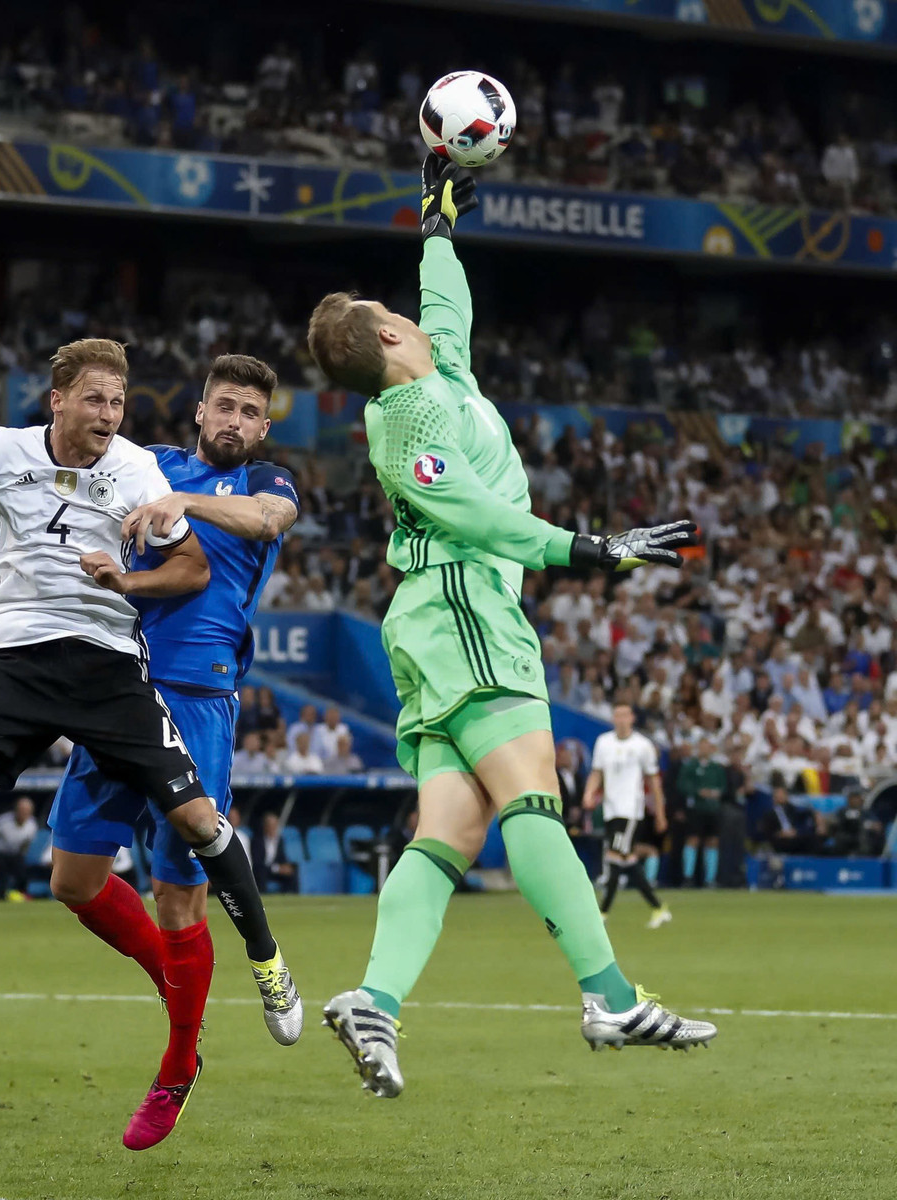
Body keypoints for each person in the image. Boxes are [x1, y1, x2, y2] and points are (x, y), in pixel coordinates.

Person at [306, 155, 716, 1097]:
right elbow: (482, 517)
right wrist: (588, 548)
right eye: (394, 311)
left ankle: (375, 1000)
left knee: (448, 831)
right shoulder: (409, 419)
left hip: (438, 619)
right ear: (388, 336)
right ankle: (610, 996)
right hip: (464, 604)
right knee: (534, 799)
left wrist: (438, 223)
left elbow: (445, 307)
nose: (413, 315)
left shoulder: (438, 371)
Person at [0, 342, 299, 1149]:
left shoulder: (266, 483)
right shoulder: (143, 460)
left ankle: (187, 1053)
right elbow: (56, 475)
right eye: (224, 405)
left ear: (263, 429)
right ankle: (180, 995)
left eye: (251, 412)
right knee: (72, 880)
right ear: (199, 410)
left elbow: (268, 522)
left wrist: (184, 503)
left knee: (178, 892)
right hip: (112, 676)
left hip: (197, 694)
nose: (235, 420)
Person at [582, 702, 670, 928]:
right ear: (613, 718)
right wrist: (589, 793)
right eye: (617, 715)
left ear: (632, 718)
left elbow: (654, 781)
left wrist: (660, 813)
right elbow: (597, 772)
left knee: (613, 856)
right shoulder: (604, 742)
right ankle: (658, 908)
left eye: (625, 715)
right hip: (610, 810)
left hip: (630, 810)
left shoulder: (642, 745)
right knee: (625, 859)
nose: (621, 719)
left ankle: (602, 913)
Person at [677, 738, 726, 886]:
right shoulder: (690, 766)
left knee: (712, 841)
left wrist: (716, 793)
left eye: (707, 747)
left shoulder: (716, 768)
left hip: (712, 809)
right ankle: (688, 877)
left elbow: (723, 786)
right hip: (696, 809)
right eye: (701, 746)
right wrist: (698, 792)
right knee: (693, 840)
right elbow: (682, 785)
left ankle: (710, 879)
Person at [253, 811, 297, 893]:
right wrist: (277, 868)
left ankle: (290, 895)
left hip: (275, 870)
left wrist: (285, 867)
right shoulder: (257, 841)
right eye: (271, 826)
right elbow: (257, 863)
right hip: (263, 870)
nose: (273, 829)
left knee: (291, 872)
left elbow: (282, 857)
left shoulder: (280, 840)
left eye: (275, 826)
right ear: (265, 827)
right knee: (261, 873)